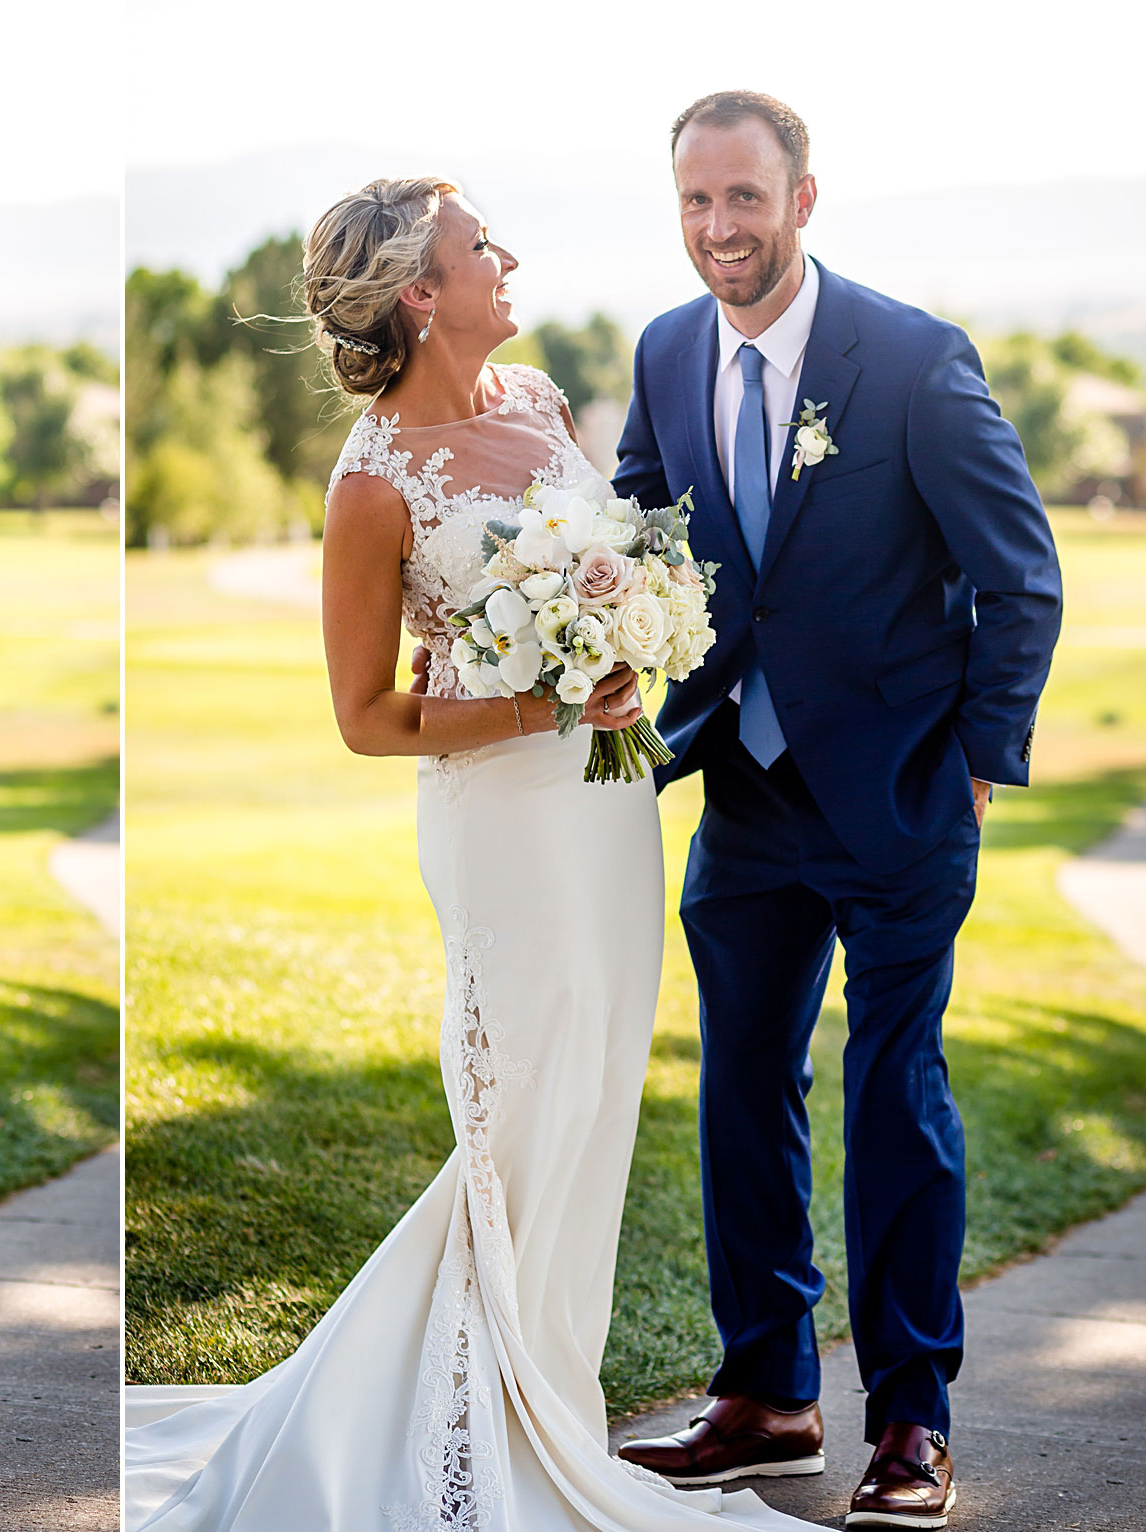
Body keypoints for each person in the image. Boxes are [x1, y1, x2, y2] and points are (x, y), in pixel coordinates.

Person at [123, 176, 817, 1532]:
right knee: (517, 1114)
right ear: (421, 294)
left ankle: (545, 1400)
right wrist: (542, 698)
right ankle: (466, 1441)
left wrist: (629, 641)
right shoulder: (373, 484)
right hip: (500, 821)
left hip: (608, 798)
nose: (509, 255)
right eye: (478, 243)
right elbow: (366, 717)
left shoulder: (545, 404)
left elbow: (607, 568)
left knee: (602, 1088)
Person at [612, 91, 1061, 1531]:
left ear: (805, 199)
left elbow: (1021, 575)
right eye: (694, 202)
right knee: (741, 1091)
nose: (717, 230)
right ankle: (768, 1394)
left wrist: (981, 756)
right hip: (739, 792)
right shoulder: (668, 350)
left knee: (894, 1094)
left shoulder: (914, 362)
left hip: (898, 800)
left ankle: (912, 1422)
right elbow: (640, 516)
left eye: (743, 199)